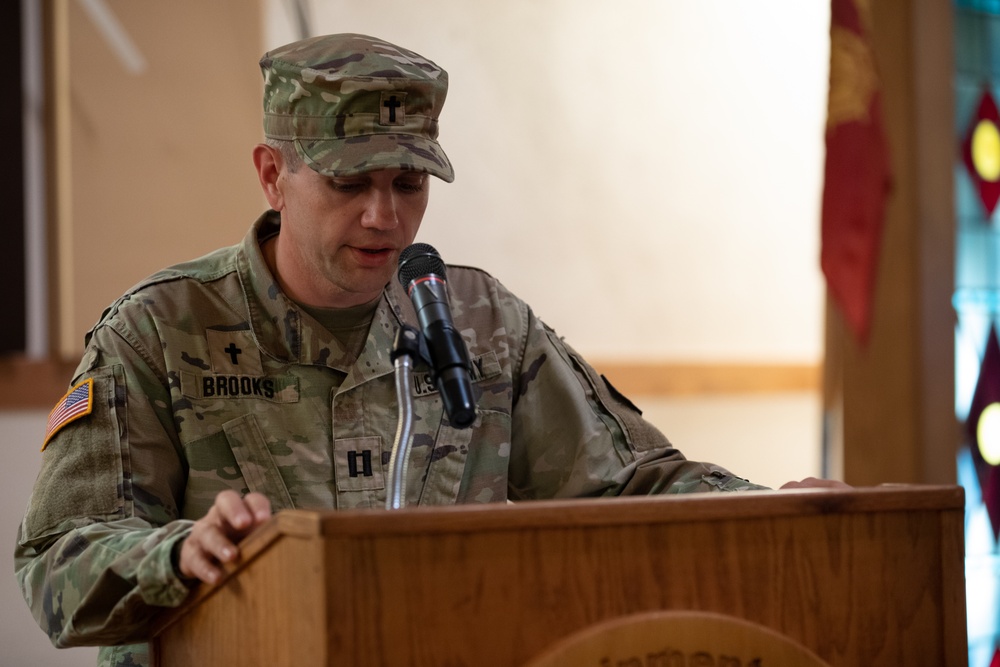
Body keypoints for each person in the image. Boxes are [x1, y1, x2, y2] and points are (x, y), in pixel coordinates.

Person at [14, 33, 836, 667]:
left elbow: (633, 483)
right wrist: (175, 552)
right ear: (272, 175)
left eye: (409, 185)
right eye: (350, 183)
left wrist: (772, 506)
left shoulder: (476, 324)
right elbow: (56, 563)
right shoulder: (160, 331)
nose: (385, 216)